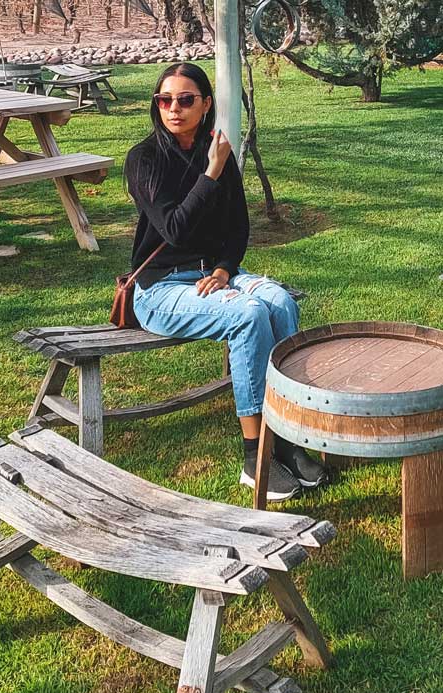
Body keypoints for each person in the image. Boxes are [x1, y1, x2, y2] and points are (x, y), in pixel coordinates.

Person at [125, 62, 326, 501]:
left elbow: (238, 228)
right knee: (249, 314)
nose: (173, 108)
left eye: (185, 99)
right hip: (160, 291)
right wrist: (210, 174)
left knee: (279, 302)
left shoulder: (218, 152)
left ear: (206, 104)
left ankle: (287, 437)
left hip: (213, 275)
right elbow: (174, 229)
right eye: (164, 99)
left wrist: (223, 270)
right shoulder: (144, 160)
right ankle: (254, 456)